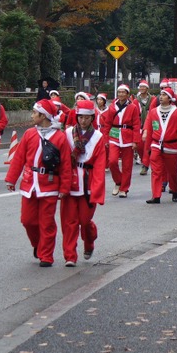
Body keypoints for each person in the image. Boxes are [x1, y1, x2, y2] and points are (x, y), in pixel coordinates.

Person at [5, 99, 72, 267]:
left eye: (35, 113)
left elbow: (65, 165)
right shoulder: (29, 134)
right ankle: (38, 244)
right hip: (29, 184)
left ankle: (46, 256)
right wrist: (11, 179)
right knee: (28, 221)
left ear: (43, 116)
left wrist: (64, 187)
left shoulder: (60, 137)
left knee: (47, 222)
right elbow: (19, 158)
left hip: (49, 185)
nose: (32, 115)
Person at [62, 99, 106, 265]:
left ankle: (89, 241)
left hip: (87, 182)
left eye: (87, 117)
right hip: (70, 181)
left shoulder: (98, 137)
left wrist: (97, 189)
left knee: (85, 221)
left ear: (92, 118)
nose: (83, 120)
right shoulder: (67, 134)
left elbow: (100, 165)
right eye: (80, 117)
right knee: (70, 222)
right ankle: (70, 256)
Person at [144, 88, 177, 203]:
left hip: (171, 146)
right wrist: (148, 147)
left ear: (170, 98)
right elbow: (150, 129)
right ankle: (156, 195)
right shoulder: (153, 112)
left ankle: (175, 189)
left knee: (172, 171)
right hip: (156, 144)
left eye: (164, 95)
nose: (161, 97)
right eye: (160, 94)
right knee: (156, 170)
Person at [100, 84, 141, 198]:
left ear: (127, 94)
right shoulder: (112, 107)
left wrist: (135, 141)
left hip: (128, 137)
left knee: (127, 165)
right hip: (114, 136)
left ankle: (124, 188)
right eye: (119, 92)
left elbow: (137, 125)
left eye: (123, 92)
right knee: (112, 161)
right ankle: (118, 181)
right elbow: (107, 123)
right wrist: (106, 138)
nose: (121, 94)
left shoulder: (133, 107)